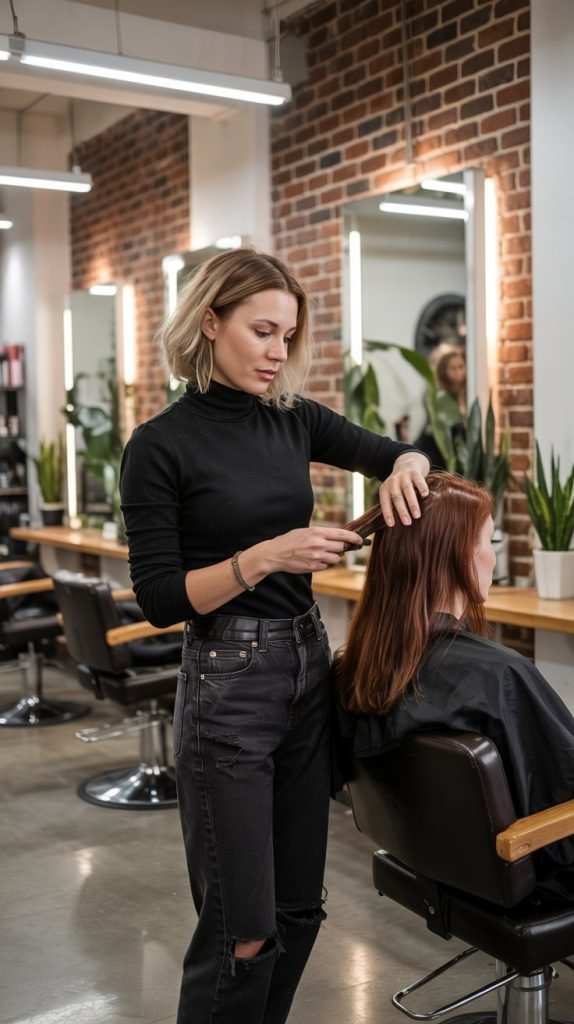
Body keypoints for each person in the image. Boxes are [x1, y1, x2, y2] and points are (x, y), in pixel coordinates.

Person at [119, 246, 431, 1024]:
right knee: (243, 932)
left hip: (305, 670)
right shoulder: (158, 447)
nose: (276, 352)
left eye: (286, 336)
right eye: (261, 330)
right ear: (210, 321)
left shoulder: (293, 422)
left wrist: (403, 467)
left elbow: (402, 451)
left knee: (299, 912)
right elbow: (159, 598)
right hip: (227, 684)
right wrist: (263, 559)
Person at [335, 471, 574, 901]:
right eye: (489, 541)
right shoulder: (501, 674)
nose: (493, 558)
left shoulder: (361, 666)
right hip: (540, 876)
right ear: (459, 554)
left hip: (438, 865)